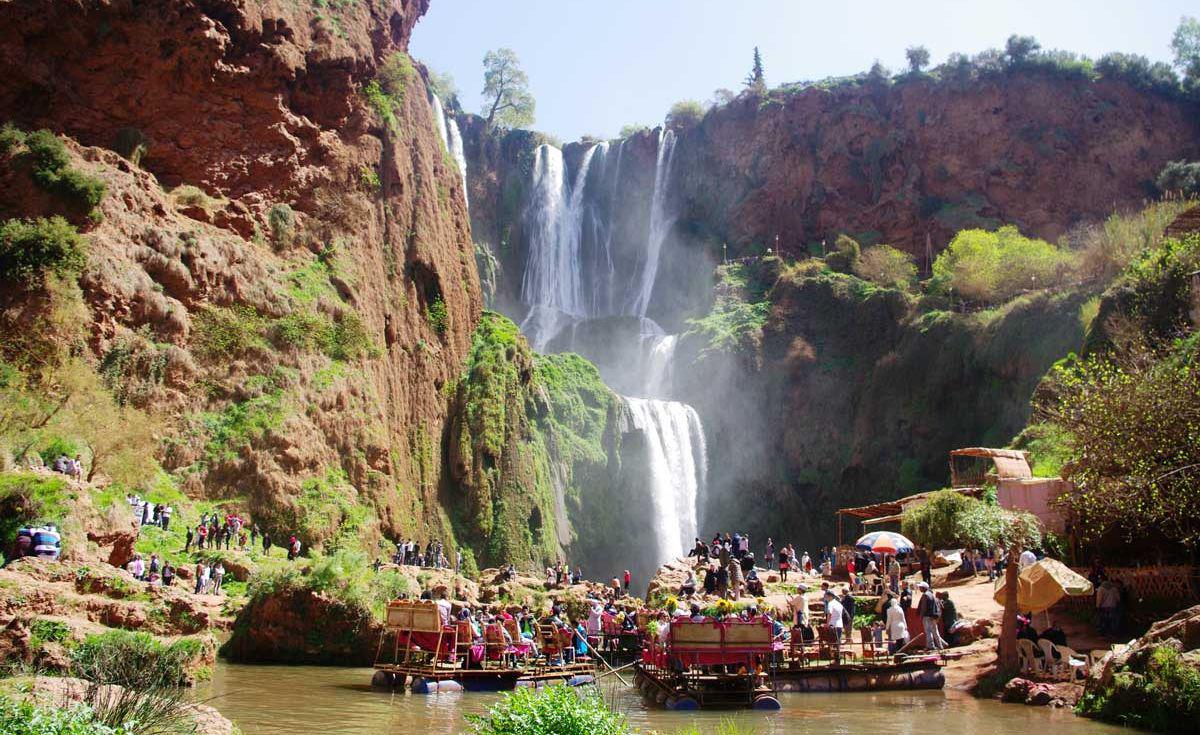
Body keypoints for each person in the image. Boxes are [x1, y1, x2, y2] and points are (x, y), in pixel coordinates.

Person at [916, 582, 946, 651]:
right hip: (933, 616)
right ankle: (941, 646)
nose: (919, 589)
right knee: (935, 631)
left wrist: (921, 616)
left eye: (920, 587)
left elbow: (924, 607)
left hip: (927, 616)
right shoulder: (931, 594)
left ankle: (930, 646)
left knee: (928, 631)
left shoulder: (925, 595)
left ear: (924, 588)